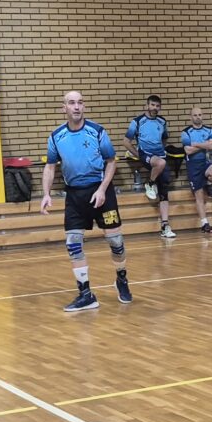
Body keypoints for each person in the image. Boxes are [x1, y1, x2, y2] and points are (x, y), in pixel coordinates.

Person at [43, 91, 132, 312]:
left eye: (80, 103)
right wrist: (46, 193)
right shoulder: (56, 136)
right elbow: (50, 166)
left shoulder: (97, 131)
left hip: (101, 192)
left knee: (116, 241)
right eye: (71, 103)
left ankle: (121, 278)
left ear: (84, 107)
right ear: (64, 108)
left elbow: (111, 161)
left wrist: (102, 189)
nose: (76, 107)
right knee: (73, 243)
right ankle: (86, 294)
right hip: (75, 195)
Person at [125, 94, 175, 239]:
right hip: (145, 154)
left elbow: (164, 139)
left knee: (164, 191)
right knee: (161, 163)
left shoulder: (162, 121)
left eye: (157, 106)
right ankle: (150, 183)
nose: (155, 108)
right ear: (147, 105)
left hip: (159, 155)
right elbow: (126, 141)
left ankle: (165, 226)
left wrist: (161, 150)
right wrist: (138, 154)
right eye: (152, 105)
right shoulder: (137, 122)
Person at [180, 107, 212, 234]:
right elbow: (188, 150)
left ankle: (208, 183)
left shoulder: (209, 129)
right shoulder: (186, 132)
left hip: (206, 162)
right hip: (193, 166)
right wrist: (204, 144)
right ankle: (205, 224)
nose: (198, 117)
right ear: (191, 117)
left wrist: (196, 144)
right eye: (195, 115)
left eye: (199, 115)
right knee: (199, 196)